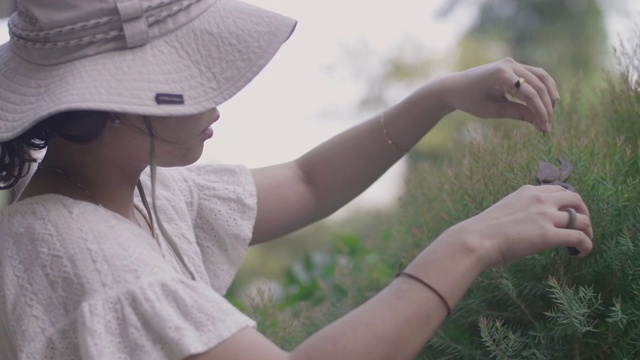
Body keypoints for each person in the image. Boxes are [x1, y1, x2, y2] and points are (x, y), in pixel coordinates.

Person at [0, 0, 593, 359]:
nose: (219, 101)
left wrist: (441, 96)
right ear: (117, 104)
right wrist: (475, 242)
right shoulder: (92, 264)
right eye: (193, 76)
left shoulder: (129, 195)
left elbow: (308, 181)